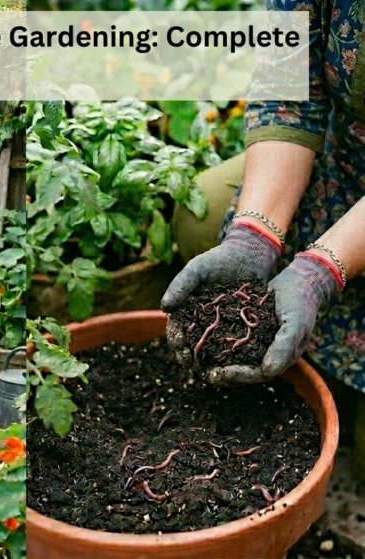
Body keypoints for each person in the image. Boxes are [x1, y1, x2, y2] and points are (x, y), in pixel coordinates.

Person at [166, 0, 365, 480]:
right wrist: (253, 236)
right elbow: (287, 90)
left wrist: (321, 269)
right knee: (204, 213)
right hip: (344, 158)